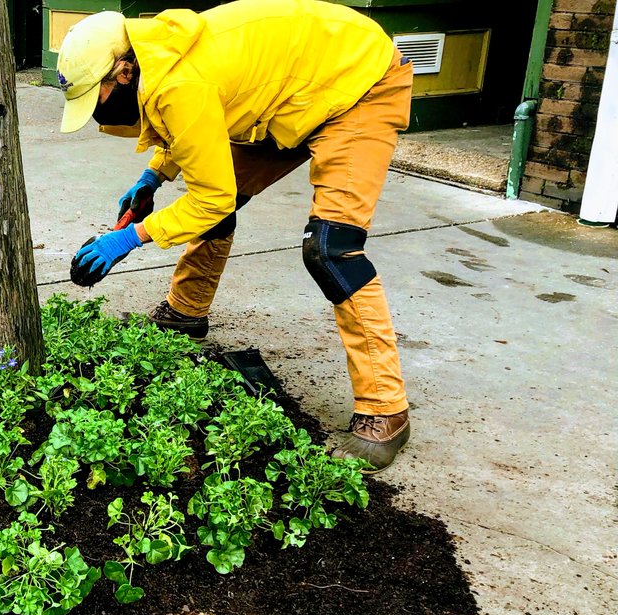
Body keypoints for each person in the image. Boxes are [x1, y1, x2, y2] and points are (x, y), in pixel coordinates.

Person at [56, 0, 413, 471]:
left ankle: (385, 410)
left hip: (356, 85)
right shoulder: (156, 56)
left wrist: (128, 239)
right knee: (214, 199)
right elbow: (195, 131)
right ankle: (186, 313)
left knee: (332, 249)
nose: (97, 113)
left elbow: (208, 186)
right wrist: (154, 177)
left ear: (121, 73)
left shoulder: (180, 80)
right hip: (288, 96)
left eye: (93, 98)